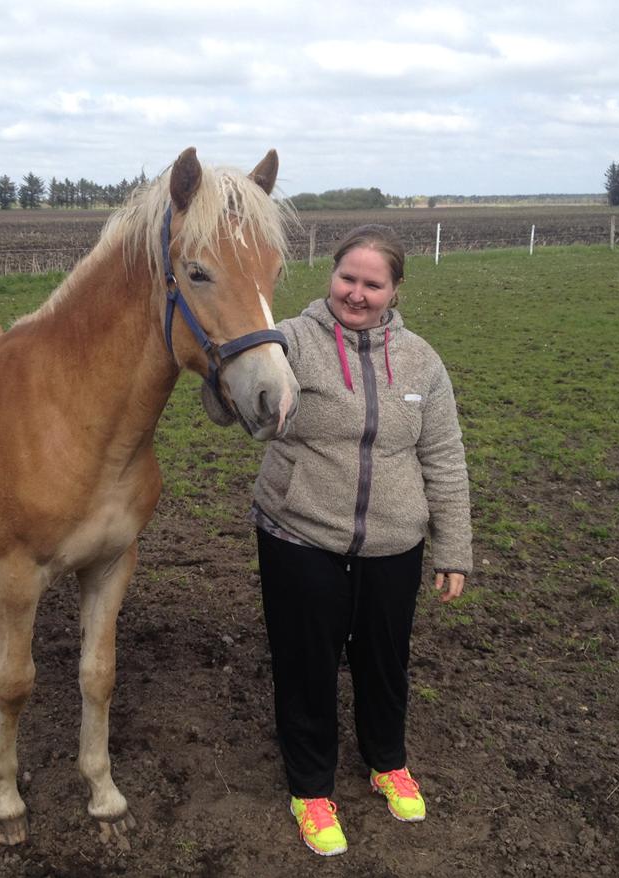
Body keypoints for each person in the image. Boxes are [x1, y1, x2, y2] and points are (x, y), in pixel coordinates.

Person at [251, 224, 472, 857]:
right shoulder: (290, 340)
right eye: (348, 278)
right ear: (331, 276)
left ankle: (387, 760)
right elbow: (231, 401)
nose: (357, 293)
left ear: (395, 290)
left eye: (373, 284)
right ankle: (311, 788)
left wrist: (453, 546)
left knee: (384, 658)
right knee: (306, 663)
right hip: (299, 531)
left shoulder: (423, 361)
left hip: (393, 541)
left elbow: (445, 457)